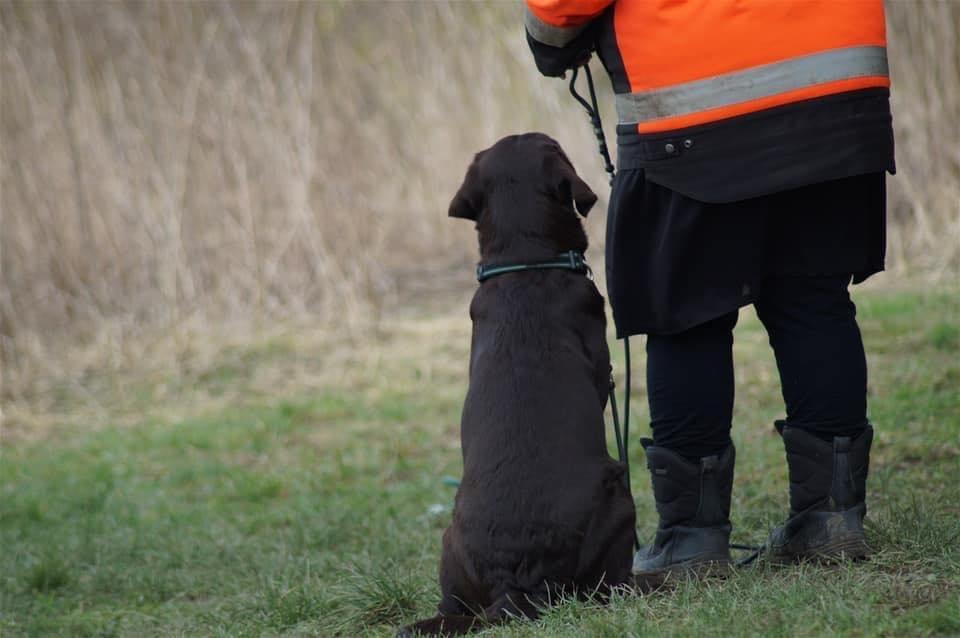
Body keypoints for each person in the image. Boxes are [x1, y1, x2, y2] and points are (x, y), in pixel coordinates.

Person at [524, 0, 894, 578]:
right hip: (841, 86)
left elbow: (560, 10)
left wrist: (547, 37)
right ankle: (831, 521)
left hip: (697, 105)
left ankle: (691, 540)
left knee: (685, 313)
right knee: (813, 299)